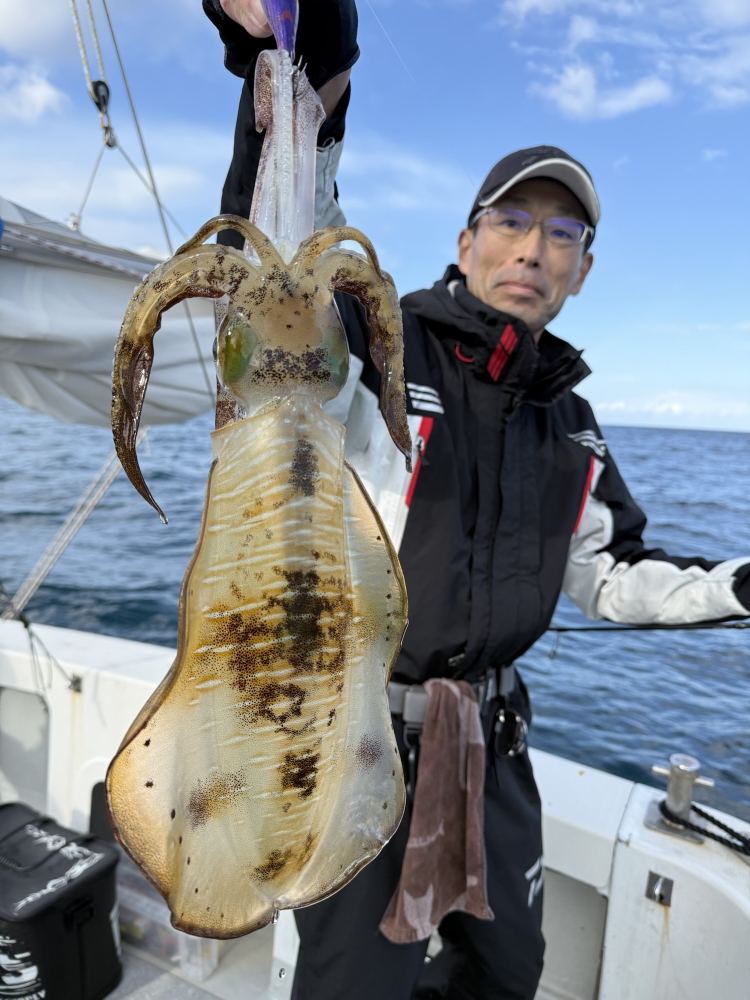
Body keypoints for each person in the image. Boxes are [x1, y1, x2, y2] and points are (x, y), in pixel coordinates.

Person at [204, 3, 750, 997]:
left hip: (494, 745)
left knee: (507, 972)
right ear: (465, 241)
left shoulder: (572, 421)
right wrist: (307, 63)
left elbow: (610, 574)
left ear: (584, 269)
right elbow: (283, 265)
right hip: (353, 738)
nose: (533, 249)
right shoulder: (377, 345)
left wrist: (739, 587)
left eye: (562, 232)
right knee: (351, 985)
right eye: (511, 221)